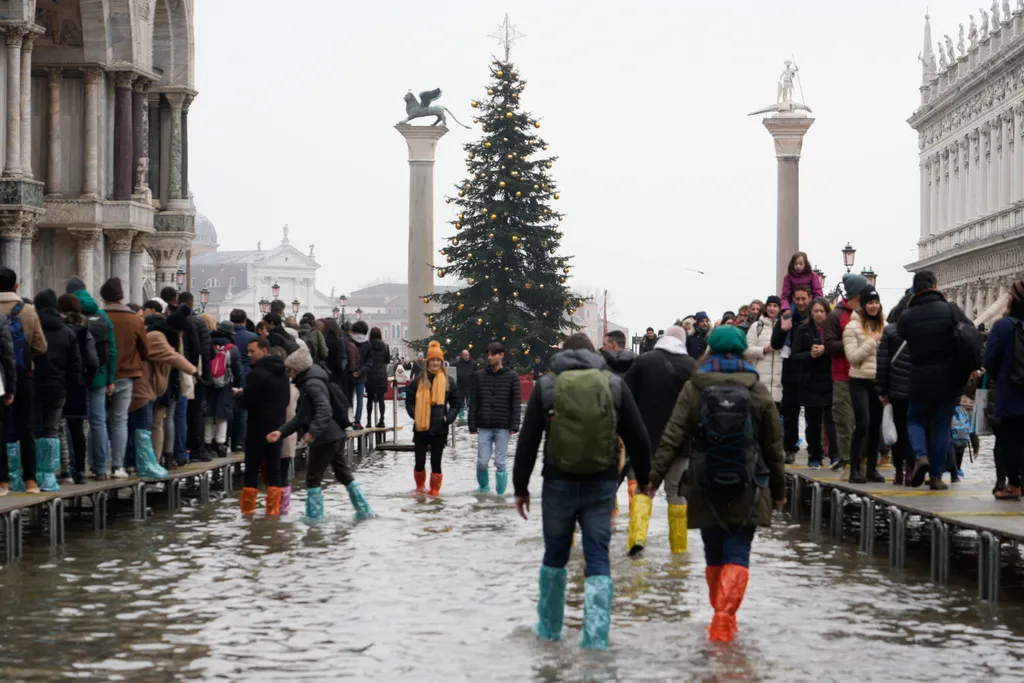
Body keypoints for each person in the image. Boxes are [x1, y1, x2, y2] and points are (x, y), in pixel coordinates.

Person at [647, 326, 785, 643]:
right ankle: (725, 619)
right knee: (738, 551)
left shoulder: (694, 386)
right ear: (740, 353)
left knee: (713, 553)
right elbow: (773, 447)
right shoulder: (756, 387)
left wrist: (653, 479)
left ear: (708, 351)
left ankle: (719, 617)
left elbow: (672, 436)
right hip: (748, 483)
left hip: (704, 481)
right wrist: (778, 492)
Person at [513, 333, 650, 650]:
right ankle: (596, 640)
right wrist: (643, 480)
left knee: (555, 556)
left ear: (563, 355)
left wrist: (521, 488)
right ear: (594, 354)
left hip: (557, 482)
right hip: (601, 483)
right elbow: (639, 437)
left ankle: (548, 633)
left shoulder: (546, 386)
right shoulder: (614, 384)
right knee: (598, 557)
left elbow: (528, 441)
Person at [267, 345, 373, 521]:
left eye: (290, 370)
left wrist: (313, 433)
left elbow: (324, 410)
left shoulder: (311, 384)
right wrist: (280, 432)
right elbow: (300, 418)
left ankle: (314, 519)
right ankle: (364, 511)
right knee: (343, 474)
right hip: (336, 434)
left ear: (297, 369)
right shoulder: (313, 381)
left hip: (325, 438)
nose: (289, 373)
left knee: (313, 478)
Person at [898, 270, 975, 490]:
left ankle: (921, 455)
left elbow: (901, 333)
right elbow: (970, 333)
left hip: (919, 375)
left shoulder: (907, 316)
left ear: (916, 289)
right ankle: (936, 477)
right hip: (948, 377)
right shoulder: (950, 310)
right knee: (941, 425)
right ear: (934, 285)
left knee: (915, 418)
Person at [624, 325, 697, 554]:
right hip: (680, 444)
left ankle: (636, 539)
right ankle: (679, 550)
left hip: (644, 442)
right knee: (677, 495)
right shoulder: (691, 366)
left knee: (643, 490)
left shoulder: (644, 362)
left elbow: (625, 397)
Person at [131, 301, 195, 478]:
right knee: (147, 422)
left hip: (157, 385)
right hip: (147, 385)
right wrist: (193, 370)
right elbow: (172, 356)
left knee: (153, 422)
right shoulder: (159, 336)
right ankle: (147, 462)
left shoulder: (161, 333)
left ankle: (152, 460)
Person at [0, 268, 46, 492]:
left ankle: (3, 482)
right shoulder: (27, 311)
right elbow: (41, 346)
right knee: (27, 428)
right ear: (16, 286)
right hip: (24, 374)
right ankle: (30, 481)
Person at [66, 277, 116, 479]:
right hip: (99, 376)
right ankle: (101, 467)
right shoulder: (102, 315)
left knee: (74, 422)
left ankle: (75, 467)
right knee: (98, 421)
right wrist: (111, 378)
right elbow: (112, 350)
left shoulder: (69, 315)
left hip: (75, 377)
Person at [33, 289, 82, 491]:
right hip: (58, 386)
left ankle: (34, 473)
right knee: (54, 430)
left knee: (34, 429)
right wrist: (70, 386)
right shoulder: (67, 332)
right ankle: (51, 474)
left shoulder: (35, 329)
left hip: (34, 386)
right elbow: (75, 365)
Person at [235, 336, 290, 515]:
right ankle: (273, 513)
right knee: (273, 469)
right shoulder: (283, 373)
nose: (249, 354)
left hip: (257, 427)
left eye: (253, 351)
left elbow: (248, 402)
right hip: (277, 427)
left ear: (265, 350)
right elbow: (286, 400)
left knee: (251, 469)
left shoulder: (256, 374)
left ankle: (247, 512)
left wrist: (238, 395)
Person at [101, 277, 149, 478]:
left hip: (100, 375)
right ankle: (118, 466)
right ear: (121, 297)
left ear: (103, 297)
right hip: (127, 375)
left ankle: (99, 465)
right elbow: (146, 351)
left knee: (98, 420)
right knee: (120, 420)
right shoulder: (134, 320)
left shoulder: (98, 317)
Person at [981, 279, 1024, 500]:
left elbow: (989, 359)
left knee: (1008, 440)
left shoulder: (1003, 325)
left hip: (1011, 391)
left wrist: (1002, 377)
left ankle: (1013, 484)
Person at [824, 272, 868, 478]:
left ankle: (864, 460)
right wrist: (852, 343)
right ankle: (847, 461)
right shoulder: (835, 315)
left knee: (865, 421)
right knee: (844, 419)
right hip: (842, 374)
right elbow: (829, 345)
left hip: (865, 374)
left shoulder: (870, 312)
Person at [843, 286, 886, 484]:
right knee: (863, 423)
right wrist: (873, 342)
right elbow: (852, 357)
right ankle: (855, 468)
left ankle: (871, 468)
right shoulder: (852, 327)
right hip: (859, 379)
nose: (874, 306)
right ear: (863, 305)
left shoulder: (884, 325)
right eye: (870, 302)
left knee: (876, 426)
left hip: (878, 381)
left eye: (876, 302)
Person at [405, 340, 460, 495]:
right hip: (421, 426)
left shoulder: (449, 382)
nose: (435, 363)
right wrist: (415, 414)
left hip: (439, 428)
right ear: (428, 361)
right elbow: (409, 401)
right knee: (419, 461)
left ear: (441, 362)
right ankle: (420, 488)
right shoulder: (418, 380)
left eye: (438, 360)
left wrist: (448, 418)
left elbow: (456, 404)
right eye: (433, 360)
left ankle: (435, 490)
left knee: (436, 462)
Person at [468, 342, 520, 494]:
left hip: (503, 426)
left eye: (493, 354)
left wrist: (515, 424)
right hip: (484, 425)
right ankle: (484, 488)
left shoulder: (512, 376)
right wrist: (472, 424)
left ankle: (500, 495)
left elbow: (515, 403)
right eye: (488, 354)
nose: (489, 357)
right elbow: (474, 402)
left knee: (500, 462)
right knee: (482, 463)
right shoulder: (479, 376)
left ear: (501, 355)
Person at [57, 294, 97, 484]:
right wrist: (87, 379)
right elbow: (93, 361)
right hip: (78, 383)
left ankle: (64, 470)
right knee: (77, 427)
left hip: (59, 381)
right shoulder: (83, 331)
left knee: (57, 427)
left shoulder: (58, 329)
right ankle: (80, 470)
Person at [792, 298, 837, 469]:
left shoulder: (832, 329)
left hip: (829, 378)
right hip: (809, 380)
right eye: (816, 311)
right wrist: (810, 354)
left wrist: (825, 350)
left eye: (822, 311)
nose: (819, 314)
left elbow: (839, 349)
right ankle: (814, 455)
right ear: (811, 312)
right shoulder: (803, 330)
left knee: (831, 420)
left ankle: (834, 454)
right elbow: (795, 355)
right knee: (813, 422)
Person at [876, 292, 914, 485]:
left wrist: (881, 391)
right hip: (917, 390)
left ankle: (899, 471)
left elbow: (882, 364)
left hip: (895, 391)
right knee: (913, 431)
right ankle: (911, 470)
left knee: (897, 432)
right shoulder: (921, 331)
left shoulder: (890, 331)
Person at [177, 292, 213, 462]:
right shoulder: (197, 322)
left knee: (179, 413)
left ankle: (180, 450)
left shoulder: (173, 320)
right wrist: (205, 375)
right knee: (195, 412)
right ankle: (196, 449)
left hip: (177, 371)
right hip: (193, 372)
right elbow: (204, 351)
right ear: (191, 303)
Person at [205, 322, 243, 457]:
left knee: (208, 414)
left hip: (208, 384)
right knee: (223, 415)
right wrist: (238, 385)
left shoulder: (209, 344)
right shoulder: (233, 349)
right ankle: (220, 444)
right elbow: (237, 370)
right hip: (225, 384)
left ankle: (207, 443)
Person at [744, 295, 783, 406]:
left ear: (780, 309)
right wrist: (764, 350)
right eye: (769, 305)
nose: (772, 308)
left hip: (779, 384)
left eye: (775, 306)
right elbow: (746, 351)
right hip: (759, 383)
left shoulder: (785, 327)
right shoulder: (756, 326)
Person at [229, 309, 257, 454]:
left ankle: (228, 440)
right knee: (243, 410)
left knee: (228, 409)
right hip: (247, 375)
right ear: (245, 321)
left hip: (227, 376)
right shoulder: (252, 337)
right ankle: (240, 442)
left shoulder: (227, 335)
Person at [365, 327, 391, 428]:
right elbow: (387, 360)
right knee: (381, 399)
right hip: (381, 375)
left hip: (370, 374)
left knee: (369, 399)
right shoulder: (385, 346)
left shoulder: (368, 345)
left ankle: (368, 421)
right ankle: (382, 420)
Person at [350, 320, 371, 429]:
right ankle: (357, 421)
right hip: (361, 376)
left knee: (349, 398)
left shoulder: (349, 341)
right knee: (359, 400)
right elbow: (369, 362)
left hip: (349, 374)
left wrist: (352, 371)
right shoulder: (367, 344)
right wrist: (360, 371)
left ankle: (349, 420)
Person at [455, 349, 476, 417]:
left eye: (468, 355)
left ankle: (470, 416)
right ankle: (461, 416)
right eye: (465, 355)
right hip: (460, 386)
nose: (467, 357)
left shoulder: (473, 363)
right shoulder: (458, 363)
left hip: (470, 386)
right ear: (462, 356)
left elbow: (476, 373)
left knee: (470, 403)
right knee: (460, 403)